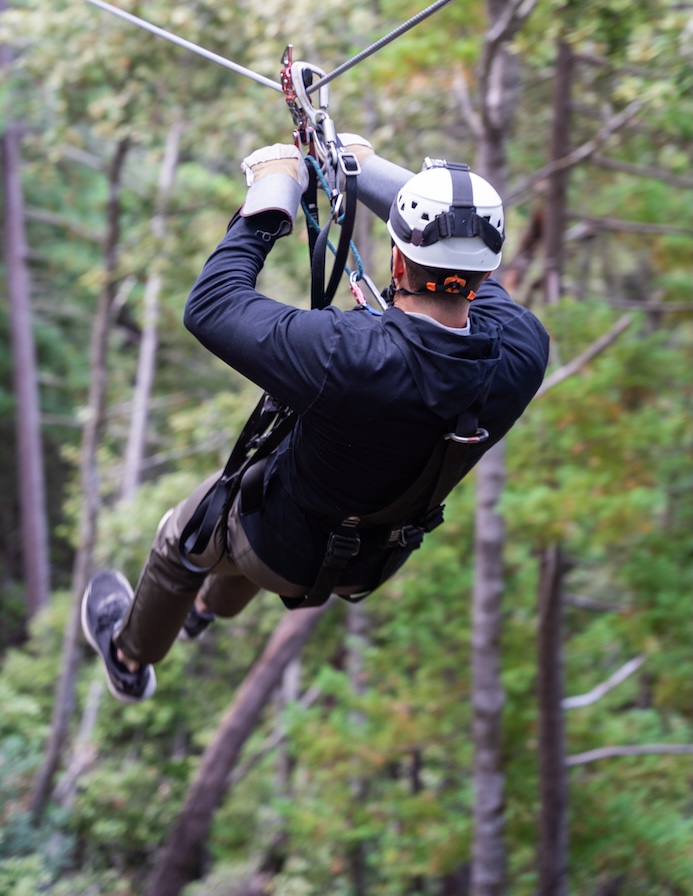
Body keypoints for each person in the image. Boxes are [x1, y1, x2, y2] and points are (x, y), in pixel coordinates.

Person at [82, 138, 549, 702]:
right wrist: (360, 168)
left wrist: (271, 197)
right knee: (251, 526)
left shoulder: (346, 355)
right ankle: (204, 609)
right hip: (367, 563)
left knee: (184, 533)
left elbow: (211, 305)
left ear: (397, 261)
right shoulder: (522, 353)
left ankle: (129, 655)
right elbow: (463, 259)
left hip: (274, 543)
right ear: (485, 273)